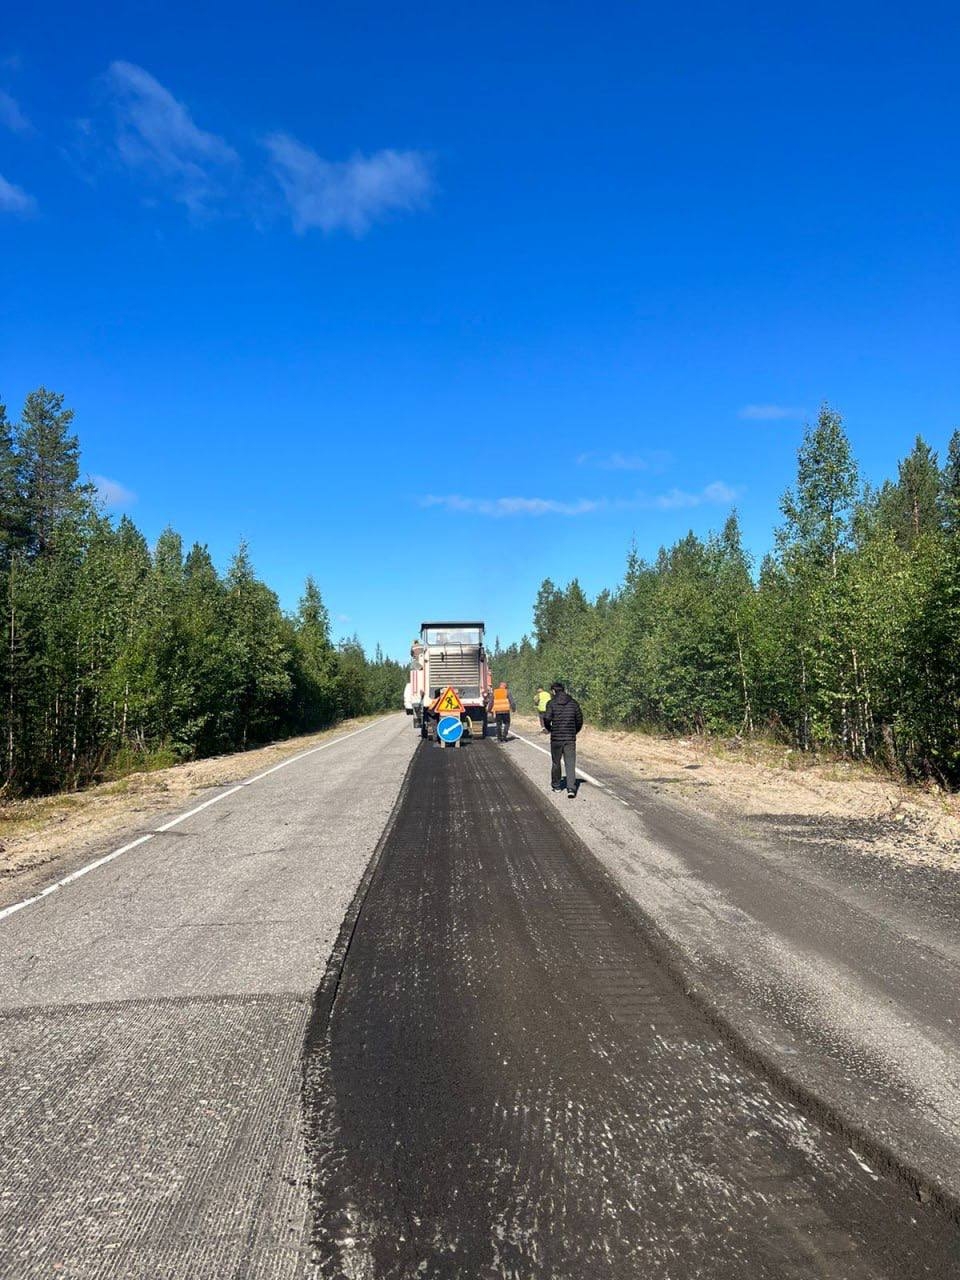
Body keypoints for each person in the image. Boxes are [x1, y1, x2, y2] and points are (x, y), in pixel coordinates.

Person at [543, 681, 583, 797]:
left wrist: (549, 729)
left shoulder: (551, 703)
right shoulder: (573, 703)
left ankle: (556, 786)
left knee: (556, 762)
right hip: (570, 737)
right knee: (570, 763)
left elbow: (546, 718)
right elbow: (579, 719)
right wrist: (575, 731)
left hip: (556, 738)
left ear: (553, 691)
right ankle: (571, 788)